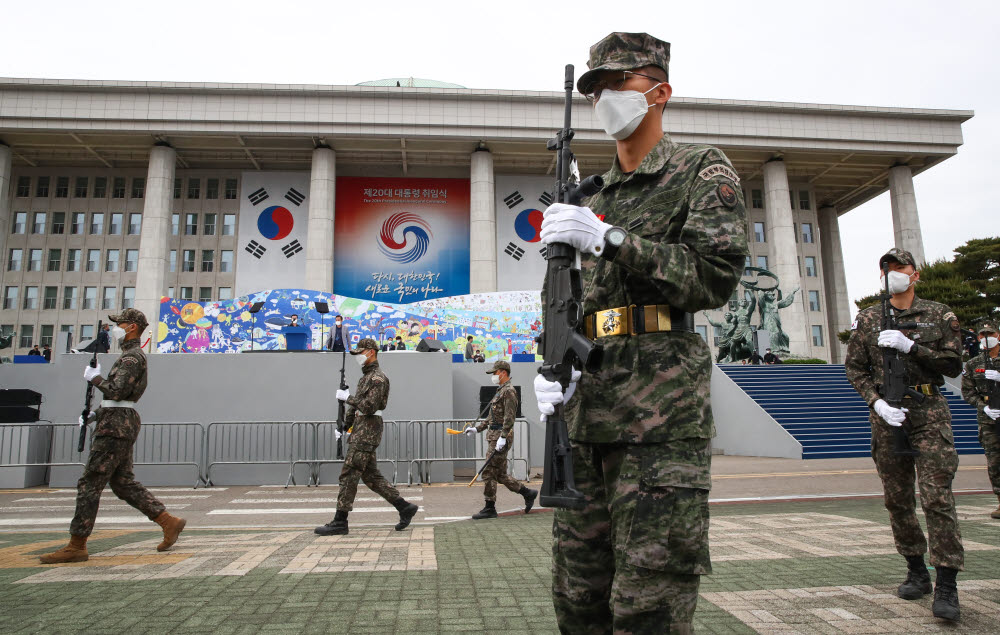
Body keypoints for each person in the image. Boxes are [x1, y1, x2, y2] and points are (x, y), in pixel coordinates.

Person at [532, 32, 748, 633]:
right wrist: (549, 366)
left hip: (660, 418)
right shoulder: (591, 194)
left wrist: (609, 239)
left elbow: (712, 278)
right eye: (596, 88)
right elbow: (566, 301)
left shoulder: (699, 169)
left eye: (618, 85)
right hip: (585, 417)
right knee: (578, 597)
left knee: (648, 603)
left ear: (660, 92)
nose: (605, 99)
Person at [844, 247, 964, 621]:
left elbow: (953, 364)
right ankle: (915, 568)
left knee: (936, 498)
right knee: (897, 499)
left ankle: (946, 583)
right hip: (888, 416)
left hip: (928, 412)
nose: (893, 273)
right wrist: (876, 402)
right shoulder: (867, 319)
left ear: (914, 274)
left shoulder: (939, 314)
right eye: (887, 269)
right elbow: (856, 369)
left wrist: (912, 346)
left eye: (900, 268)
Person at [39, 308, 186, 564]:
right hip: (116, 421)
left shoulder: (132, 358)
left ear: (132, 327)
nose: (116, 327)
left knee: (90, 483)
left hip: (116, 427)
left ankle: (77, 545)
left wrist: (96, 379)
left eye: (120, 323)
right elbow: (115, 400)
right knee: (122, 483)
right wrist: (95, 415)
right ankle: (168, 521)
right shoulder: (130, 356)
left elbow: (117, 392)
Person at [315, 338, 418, 536]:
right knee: (371, 476)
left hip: (368, 430)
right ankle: (404, 507)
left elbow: (369, 406)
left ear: (371, 352)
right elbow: (356, 407)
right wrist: (345, 425)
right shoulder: (365, 378)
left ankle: (340, 521)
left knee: (349, 473)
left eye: (360, 353)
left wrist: (348, 398)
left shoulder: (377, 378)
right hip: (362, 429)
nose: (358, 357)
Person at [465, 361, 537, 519]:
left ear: (503, 372)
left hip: (500, 436)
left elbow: (509, 417)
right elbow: (491, 417)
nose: (493, 376)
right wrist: (477, 428)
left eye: (495, 373)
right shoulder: (501, 391)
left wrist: (503, 437)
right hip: (496, 435)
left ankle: (490, 507)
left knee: (488, 472)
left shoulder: (509, 391)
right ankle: (528, 493)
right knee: (500, 474)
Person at [960, 322, 1000, 520]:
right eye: (982, 335)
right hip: (988, 416)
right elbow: (967, 391)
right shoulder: (974, 363)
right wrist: (982, 407)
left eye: (990, 333)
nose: (986, 337)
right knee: (995, 462)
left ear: (998, 336)